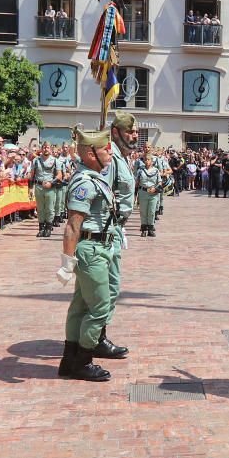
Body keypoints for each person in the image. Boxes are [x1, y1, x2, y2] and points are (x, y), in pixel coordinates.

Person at [56, 127, 117, 382]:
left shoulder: (93, 176)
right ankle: (82, 361)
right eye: (106, 149)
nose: (110, 153)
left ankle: (69, 360)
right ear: (91, 154)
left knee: (80, 306)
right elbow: (73, 225)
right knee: (100, 308)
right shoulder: (84, 182)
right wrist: (66, 262)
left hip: (96, 247)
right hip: (92, 250)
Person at [102, 111, 139, 361]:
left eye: (135, 132)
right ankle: (96, 338)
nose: (134, 135)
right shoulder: (110, 158)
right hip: (105, 230)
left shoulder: (123, 157)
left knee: (109, 286)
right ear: (116, 132)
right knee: (108, 287)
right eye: (129, 131)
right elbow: (102, 193)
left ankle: (94, 336)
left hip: (115, 227)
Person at [31, 143, 58, 237]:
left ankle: (48, 227)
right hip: (39, 186)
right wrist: (30, 188)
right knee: (40, 208)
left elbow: (59, 175)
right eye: (44, 147)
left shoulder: (55, 160)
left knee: (50, 208)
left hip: (50, 187)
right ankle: (41, 228)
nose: (46, 149)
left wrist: (51, 183)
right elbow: (32, 175)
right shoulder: (36, 160)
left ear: (50, 149)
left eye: (48, 147)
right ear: (41, 148)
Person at [136, 154, 160, 237]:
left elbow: (159, 182)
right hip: (143, 192)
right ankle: (144, 229)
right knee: (143, 211)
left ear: (152, 161)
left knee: (151, 212)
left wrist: (155, 188)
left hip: (153, 193)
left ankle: (150, 228)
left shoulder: (156, 170)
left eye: (148, 159)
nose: (147, 161)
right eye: (145, 160)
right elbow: (137, 182)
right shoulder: (140, 171)